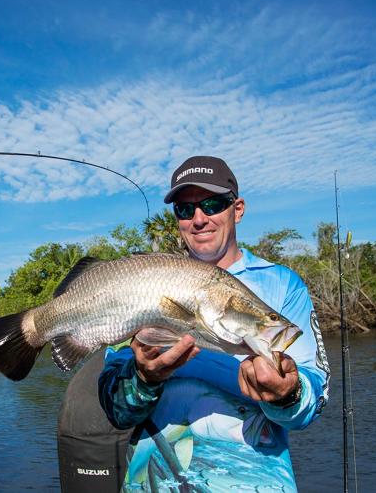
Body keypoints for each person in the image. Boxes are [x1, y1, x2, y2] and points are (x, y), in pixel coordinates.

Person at [98, 156, 330, 492]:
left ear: (237, 209)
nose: (199, 219)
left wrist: (287, 394)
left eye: (213, 204)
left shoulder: (283, 286)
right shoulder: (141, 284)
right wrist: (143, 379)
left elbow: (313, 401)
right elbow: (117, 411)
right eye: (185, 209)